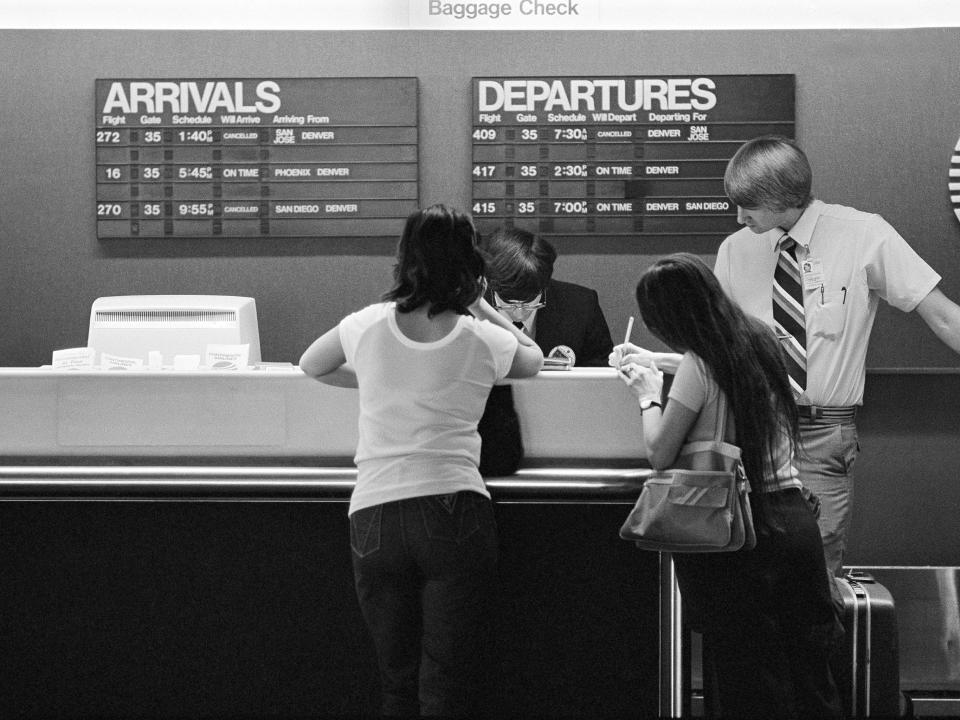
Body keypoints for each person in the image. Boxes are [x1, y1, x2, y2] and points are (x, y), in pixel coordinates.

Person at [619, 135, 960, 578]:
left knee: (816, 568)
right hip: (750, 430)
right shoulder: (736, 249)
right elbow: (726, 352)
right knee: (745, 567)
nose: (740, 217)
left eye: (751, 206)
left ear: (785, 198)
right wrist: (660, 362)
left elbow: (945, 318)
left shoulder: (863, 234)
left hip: (822, 433)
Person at [298, 204, 543, 717]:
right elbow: (533, 360)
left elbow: (311, 364)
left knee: (396, 679)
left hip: (376, 515)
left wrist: (371, 377)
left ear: (404, 259)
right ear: (471, 265)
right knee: (445, 681)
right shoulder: (481, 336)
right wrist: (484, 307)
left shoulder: (366, 325)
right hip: (455, 512)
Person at [614, 253, 843, 719]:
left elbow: (660, 452)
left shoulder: (700, 366)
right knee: (809, 667)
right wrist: (660, 359)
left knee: (749, 676)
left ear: (671, 318)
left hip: (736, 532)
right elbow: (722, 368)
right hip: (795, 523)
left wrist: (647, 395)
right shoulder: (760, 340)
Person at [480, 227, 613, 367]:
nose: (519, 313)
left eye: (529, 302)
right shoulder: (467, 309)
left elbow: (602, 372)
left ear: (544, 285)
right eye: (508, 303)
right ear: (490, 283)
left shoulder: (581, 305)